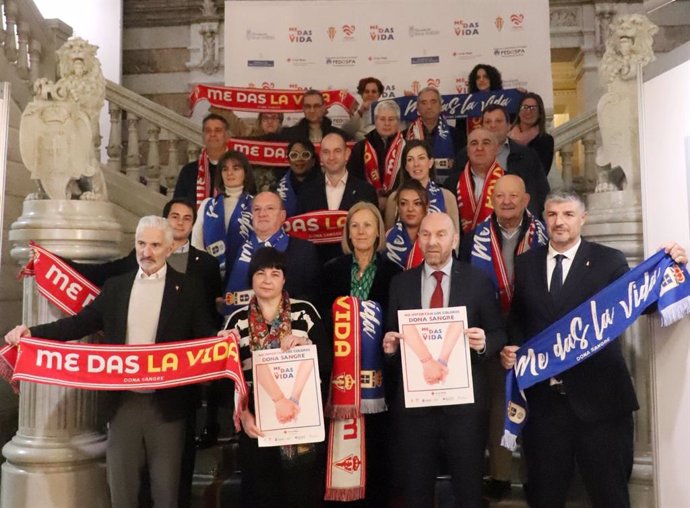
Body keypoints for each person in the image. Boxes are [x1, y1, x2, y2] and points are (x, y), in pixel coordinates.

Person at [5, 216, 217, 508]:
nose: (147, 251)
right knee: (122, 489)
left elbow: (206, 338)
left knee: (166, 492)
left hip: (169, 408)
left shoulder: (189, 289)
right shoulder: (116, 287)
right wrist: (32, 333)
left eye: (155, 245)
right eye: (141, 243)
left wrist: (224, 341)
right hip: (123, 405)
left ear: (169, 249)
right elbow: (79, 324)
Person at [500, 191, 687, 508]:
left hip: (600, 404)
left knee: (610, 495)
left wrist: (668, 268)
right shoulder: (526, 262)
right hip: (544, 408)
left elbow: (641, 303)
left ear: (582, 219)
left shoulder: (608, 260)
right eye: (552, 214)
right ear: (544, 218)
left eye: (568, 214)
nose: (559, 221)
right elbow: (519, 315)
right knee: (544, 496)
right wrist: (511, 347)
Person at [382, 212, 506, 508]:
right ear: (418, 239)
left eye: (440, 235)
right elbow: (393, 340)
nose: (432, 241)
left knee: (468, 491)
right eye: (425, 234)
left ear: (454, 239)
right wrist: (389, 349)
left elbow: (499, 333)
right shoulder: (401, 284)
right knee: (416, 491)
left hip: (465, 409)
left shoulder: (477, 281)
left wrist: (484, 343)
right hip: (415, 412)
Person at [458, 175, 548, 500]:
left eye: (513, 196)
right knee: (498, 402)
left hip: (535, 327)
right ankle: (498, 475)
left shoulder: (544, 232)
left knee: (536, 402)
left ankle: (534, 475)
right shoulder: (474, 238)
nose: (506, 201)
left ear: (526, 200)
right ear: (492, 200)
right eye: (500, 196)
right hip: (492, 328)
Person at [224, 247, 331, 508]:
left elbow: (327, 362)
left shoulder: (304, 312)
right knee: (261, 495)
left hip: (300, 417)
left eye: (275, 273)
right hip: (255, 421)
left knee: (300, 494)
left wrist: (306, 345)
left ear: (284, 279)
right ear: (251, 278)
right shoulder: (236, 321)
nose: (267, 280)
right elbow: (227, 380)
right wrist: (243, 414)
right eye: (260, 273)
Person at [321, 202, 401, 506]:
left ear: (379, 231)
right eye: (355, 226)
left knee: (377, 450)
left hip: (379, 379)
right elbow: (322, 322)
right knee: (339, 450)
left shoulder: (395, 273)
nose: (362, 231)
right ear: (347, 232)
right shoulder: (331, 271)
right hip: (338, 379)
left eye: (368, 225)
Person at [225, 191, 320, 314]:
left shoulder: (304, 250)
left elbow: (314, 297)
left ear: (282, 216)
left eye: (270, 208)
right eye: (257, 209)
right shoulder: (238, 249)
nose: (262, 214)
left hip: (288, 325)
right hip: (240, 325)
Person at [298, 132, 378, 264]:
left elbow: (374, 232)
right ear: (321, 157)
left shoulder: (366, 191)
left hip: (355, 267)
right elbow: (300, 236)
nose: (331, 157)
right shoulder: (306, 191)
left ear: (347, 154)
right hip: (316, 267)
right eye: (326, 152)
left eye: (337, 151)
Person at [191, 150, 255, 277]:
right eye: (225, 169)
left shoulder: (255, 205)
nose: (230, 173)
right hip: (210, 275)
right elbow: (196, 244)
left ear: (245, 172)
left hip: (245, 275)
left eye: (236, 168)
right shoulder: (208, 205)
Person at [384, 140, 459, 232]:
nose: (416, 164)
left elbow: (455, 238)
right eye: (410, 159)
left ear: (430, 163)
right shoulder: (394, 198)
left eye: (421, 158)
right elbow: (388, 237)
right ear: (406, 167)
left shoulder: (447, 196)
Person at [347, 100, 405, 210]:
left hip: (399, 205)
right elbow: (352, 181)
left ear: (398, 122)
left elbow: (409, 181)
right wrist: (373, 197)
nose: (387, 123)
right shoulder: (360, 148)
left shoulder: (407, 147)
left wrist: (392, 199)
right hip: (366, 205)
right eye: (382, 119)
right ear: (375, 121)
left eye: (391, 119)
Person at [405, 87, 463, 183]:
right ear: (417, 108)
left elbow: (461, 167)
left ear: (440, 106)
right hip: (415, 189)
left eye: (433, 102)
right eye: (424, 103)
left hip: (448, 188)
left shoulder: (457, 135)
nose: (429, 106)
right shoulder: (406, 135)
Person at [173, 113, 231, 207]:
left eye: (218, 130)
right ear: (203, 137)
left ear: (227, 136)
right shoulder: (189, 171)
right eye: (208, 131)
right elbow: (177, 206)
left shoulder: (239, 169)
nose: (212, 134)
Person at [384, 179, 428, 270]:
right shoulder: (387, 237)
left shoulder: (436, 239)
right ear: (398, 208)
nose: (410, 209)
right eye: (404, 203)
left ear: (426, 207)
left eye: (417, 203)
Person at [279, 89, 351, 143]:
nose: (312, 110)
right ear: (303, 108)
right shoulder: (288, 135)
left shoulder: (341, 136)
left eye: (316, 106)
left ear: (323, 108)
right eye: (308, 106)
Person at [508, 92, 555, 175]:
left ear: (540, 114)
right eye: (524, 107)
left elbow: (541, 172)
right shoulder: (507, 135)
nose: (528, 111)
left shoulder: (546, 140)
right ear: (518, 112)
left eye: (533, 108)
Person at [275, 139, 319, 217]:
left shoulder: (325, 186)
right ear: (289, 160)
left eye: (305, 155)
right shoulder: (278, 187)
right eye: (294, 155)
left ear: (313, 161)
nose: (299, 159)